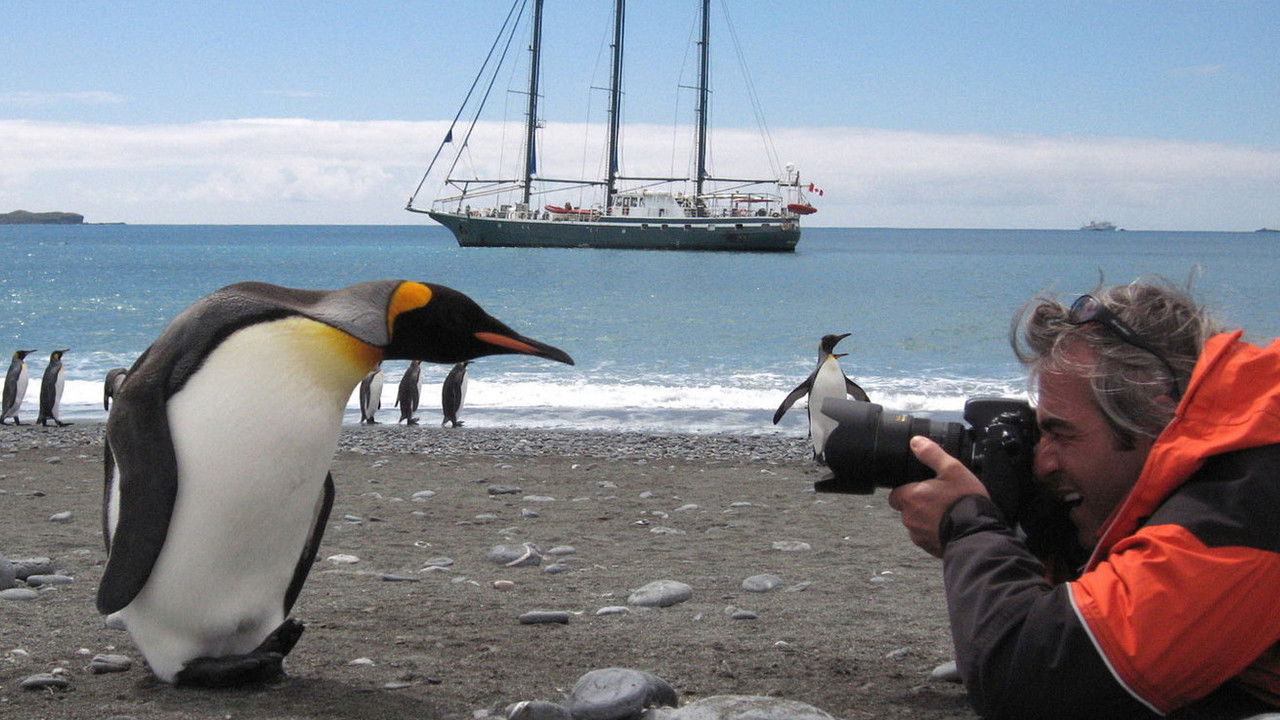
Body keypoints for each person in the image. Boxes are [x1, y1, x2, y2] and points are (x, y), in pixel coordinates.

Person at [887, 277, 1280, 719]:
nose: (1043, 463)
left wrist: (969, 527)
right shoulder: (1243, 447)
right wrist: (1034, 522)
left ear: (1153, 413)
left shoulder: (1241, 504)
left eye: (1060, 433)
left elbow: (1034, 685)